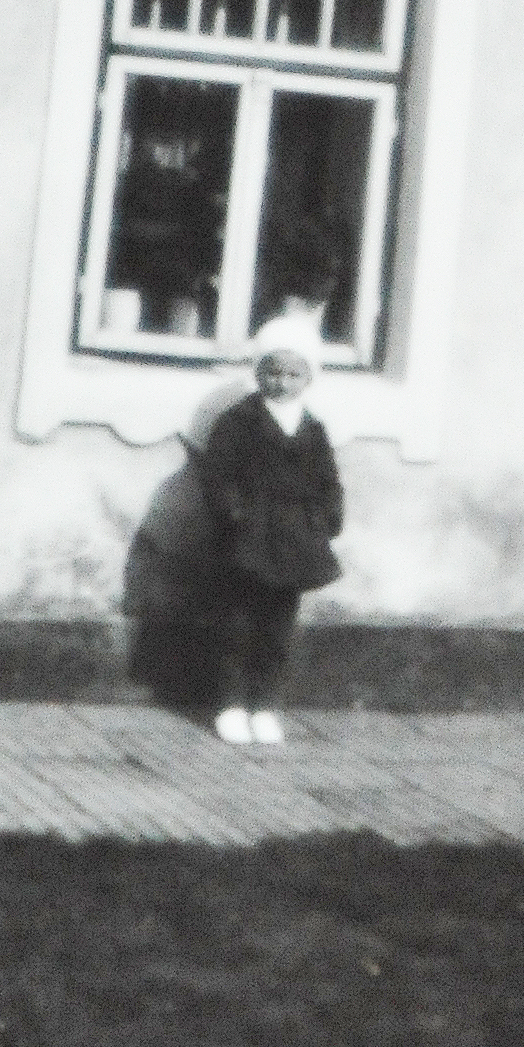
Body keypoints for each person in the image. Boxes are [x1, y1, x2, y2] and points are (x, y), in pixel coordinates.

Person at [192, 311, 345, 746]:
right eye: (273, 372)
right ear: (258, 373)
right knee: (238, 621)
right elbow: (218, 476)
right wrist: (236, 515)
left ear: (309, 378)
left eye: (293, 374)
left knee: (278, 627)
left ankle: (264, 704)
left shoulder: (312, 429)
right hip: (250, 538)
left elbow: (328, 480)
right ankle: (231, 704)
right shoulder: (238, 422)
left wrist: (326, 518)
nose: (281, 382)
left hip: (295, 540)